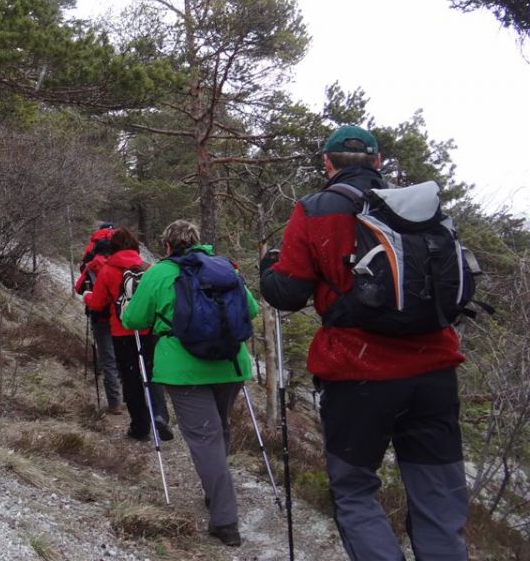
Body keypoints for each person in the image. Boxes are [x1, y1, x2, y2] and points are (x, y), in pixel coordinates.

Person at [260, 124, 468, 561]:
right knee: (438, 501)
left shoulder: (316, 210)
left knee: (354, 492)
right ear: (378, 163)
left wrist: (269, 270)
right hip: (434, 370)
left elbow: (289, 292)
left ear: (328, 164)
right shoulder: (418, 209)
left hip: (358, 373)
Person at [121, 220, 256, 548]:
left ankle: (225, 520)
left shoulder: (159, 273)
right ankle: (215, 493)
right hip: (231, 364)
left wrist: (126, 305)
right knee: (219, 427)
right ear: (198, 242)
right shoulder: (225, 268)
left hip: (184, 371)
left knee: (205, 438)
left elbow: (134, 320)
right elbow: (250, 309)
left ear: (166, 245)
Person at [82, 227, 172, 441]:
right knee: (152, 373)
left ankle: (140, 427)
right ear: (135, 246)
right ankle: (160, 415)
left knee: (130, 379)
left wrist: (86, 296)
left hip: (122, 332)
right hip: (149, 329)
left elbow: (98, 303)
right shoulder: (148, 268)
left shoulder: (108, 270)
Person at [74, 223, 123, 414]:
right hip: (120, 318)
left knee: (108, 361)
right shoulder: (120, 267)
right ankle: (129, 398)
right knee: (123, 358)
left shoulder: (91, 267)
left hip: (99, 318)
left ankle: (114, 403)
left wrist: (88, 294)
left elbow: (79, 288)